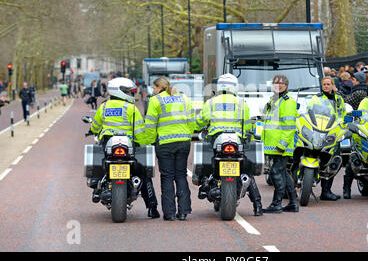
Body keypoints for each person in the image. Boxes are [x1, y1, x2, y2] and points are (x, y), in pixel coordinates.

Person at [89, 77, 160, 218]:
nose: (131, 94)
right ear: (120, 91)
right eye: (128, 91)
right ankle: (152, 208)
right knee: (144, 174)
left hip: (108, 144)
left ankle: (96, 186)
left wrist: (93, 129)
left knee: (99, 162)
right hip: (128, 146)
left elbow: (95, 126)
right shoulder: (131, 109)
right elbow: (139, 131)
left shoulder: (104, 106)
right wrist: (146, 143)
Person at [195, 74, 263, 216]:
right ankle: (257, 205)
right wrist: (245, 137)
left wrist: (196, 126)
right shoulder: (241, 102)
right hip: (236, 139)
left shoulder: (211, 102)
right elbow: (247, 125)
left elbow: (200, 121)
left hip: (216, 138)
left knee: (206, 164)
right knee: (246, 171)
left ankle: (203, 183)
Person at [145, 76, 194, 221]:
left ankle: (170, 213)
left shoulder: (155, 101)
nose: (153, 91)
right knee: (181, 175)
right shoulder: (184, 98)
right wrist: (188, 136)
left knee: (167, 177)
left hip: (165, 143)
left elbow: (150, 125)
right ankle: (184, 212)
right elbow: (191, 121)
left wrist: (149, 141)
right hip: (183, 142)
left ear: (160, 88)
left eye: (154, 88)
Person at [262, 75, 299, 213]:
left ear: (287, 86)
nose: (279, 85)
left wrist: (282, 145)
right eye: (276, 83)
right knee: (283, 172)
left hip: (280, 145)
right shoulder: (274, 100)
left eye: (282, 83)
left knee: (275, 172)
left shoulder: (288, 102)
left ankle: (276, 204)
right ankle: (293, 203)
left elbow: (289, 127)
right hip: (273, 144)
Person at [314, 77, 346, 201]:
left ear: (333, 85)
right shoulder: (316, 98)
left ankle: (326, 191)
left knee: (333, 162)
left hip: (334, 134)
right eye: (324, 84)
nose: (326, 86)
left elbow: (342, 114)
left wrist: (343, 127)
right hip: (319, 132)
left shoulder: (339, 99)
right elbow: (310, 112)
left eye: (328, 84)